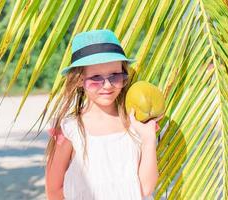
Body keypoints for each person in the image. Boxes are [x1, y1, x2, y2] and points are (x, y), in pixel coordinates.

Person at [44, 29, 162, 200]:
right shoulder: (70, 129)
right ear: (78, 80)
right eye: (96, 78)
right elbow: (54, 190)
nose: (107, 85)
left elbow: (146, 188)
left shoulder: (135, 124)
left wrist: (148, 139)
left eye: (115, 76)